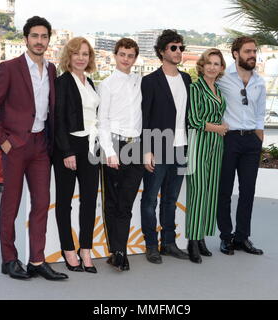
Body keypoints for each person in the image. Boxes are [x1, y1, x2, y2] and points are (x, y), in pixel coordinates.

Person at [0, 16, 68, 281]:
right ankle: (9, 259)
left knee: (42, 203)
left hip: (41, 145)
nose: (39, 41)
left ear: (48, 40)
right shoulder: (9, 67)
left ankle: (37, 260)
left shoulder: (52, 70)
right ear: (26, 39)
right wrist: (3, 141)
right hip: (16, 146)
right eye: (35, 36)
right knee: (11, 203)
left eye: (44, 37)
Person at [141, 29, 191, 264]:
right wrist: (147, 150)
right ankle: (151, 245)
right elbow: (145, 118)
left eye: (181, 47)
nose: (178, 51)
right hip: (158, 146)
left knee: (171, 199)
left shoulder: (187, 79)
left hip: (181, 148)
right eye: (173, 47)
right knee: (150, 199)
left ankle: (168, 243)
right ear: (162, 51)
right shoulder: (150, 81)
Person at [53, 37, 100, 274]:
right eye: (77, 53)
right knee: (64, 202)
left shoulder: (90, 82)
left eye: (85, 53)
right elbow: (58, 119)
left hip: (91, 147)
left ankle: (86, 250)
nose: (81, 58)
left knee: (90, 201)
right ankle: (68, 249)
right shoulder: (62, 83)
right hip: (69, 146)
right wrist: (66, 151)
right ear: (68, 56)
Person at [98, 38, 145, 272]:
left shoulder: (140, 82)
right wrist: (108, 151)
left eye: (130, 55)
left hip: (136, 147)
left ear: (135, 58)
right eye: (122, 54)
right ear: (115, 56)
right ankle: (116, 251)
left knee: (126, 203)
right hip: (114, 145)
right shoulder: (106, 85)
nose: (126, 59)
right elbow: (102, 121)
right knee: (112, 202)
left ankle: (120, 250)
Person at [216, 36, 266, 256]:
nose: (252, 55)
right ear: (236, 54)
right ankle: (225, 237)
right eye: (247, 51)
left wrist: (259, 137)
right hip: (229, 138)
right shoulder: (223, 78)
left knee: (248, 191)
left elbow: (261, 113)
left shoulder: (260, 82)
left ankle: (242, 237)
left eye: (254, 51)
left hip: (251, 142)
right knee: (224, 190)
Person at [186, 49, 228, 264]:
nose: (212, 67)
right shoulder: (195, 88)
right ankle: (192, 241)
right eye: (209, 63)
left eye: (217, 63)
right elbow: (193, 120)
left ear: (221, 68)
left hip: (216, 146)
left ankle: (202, 237)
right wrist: (219, 128)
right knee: (198, 192)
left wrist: (221, 128)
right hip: (198, 144)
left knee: (211, 192)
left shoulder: (219, 90)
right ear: (202, 65)